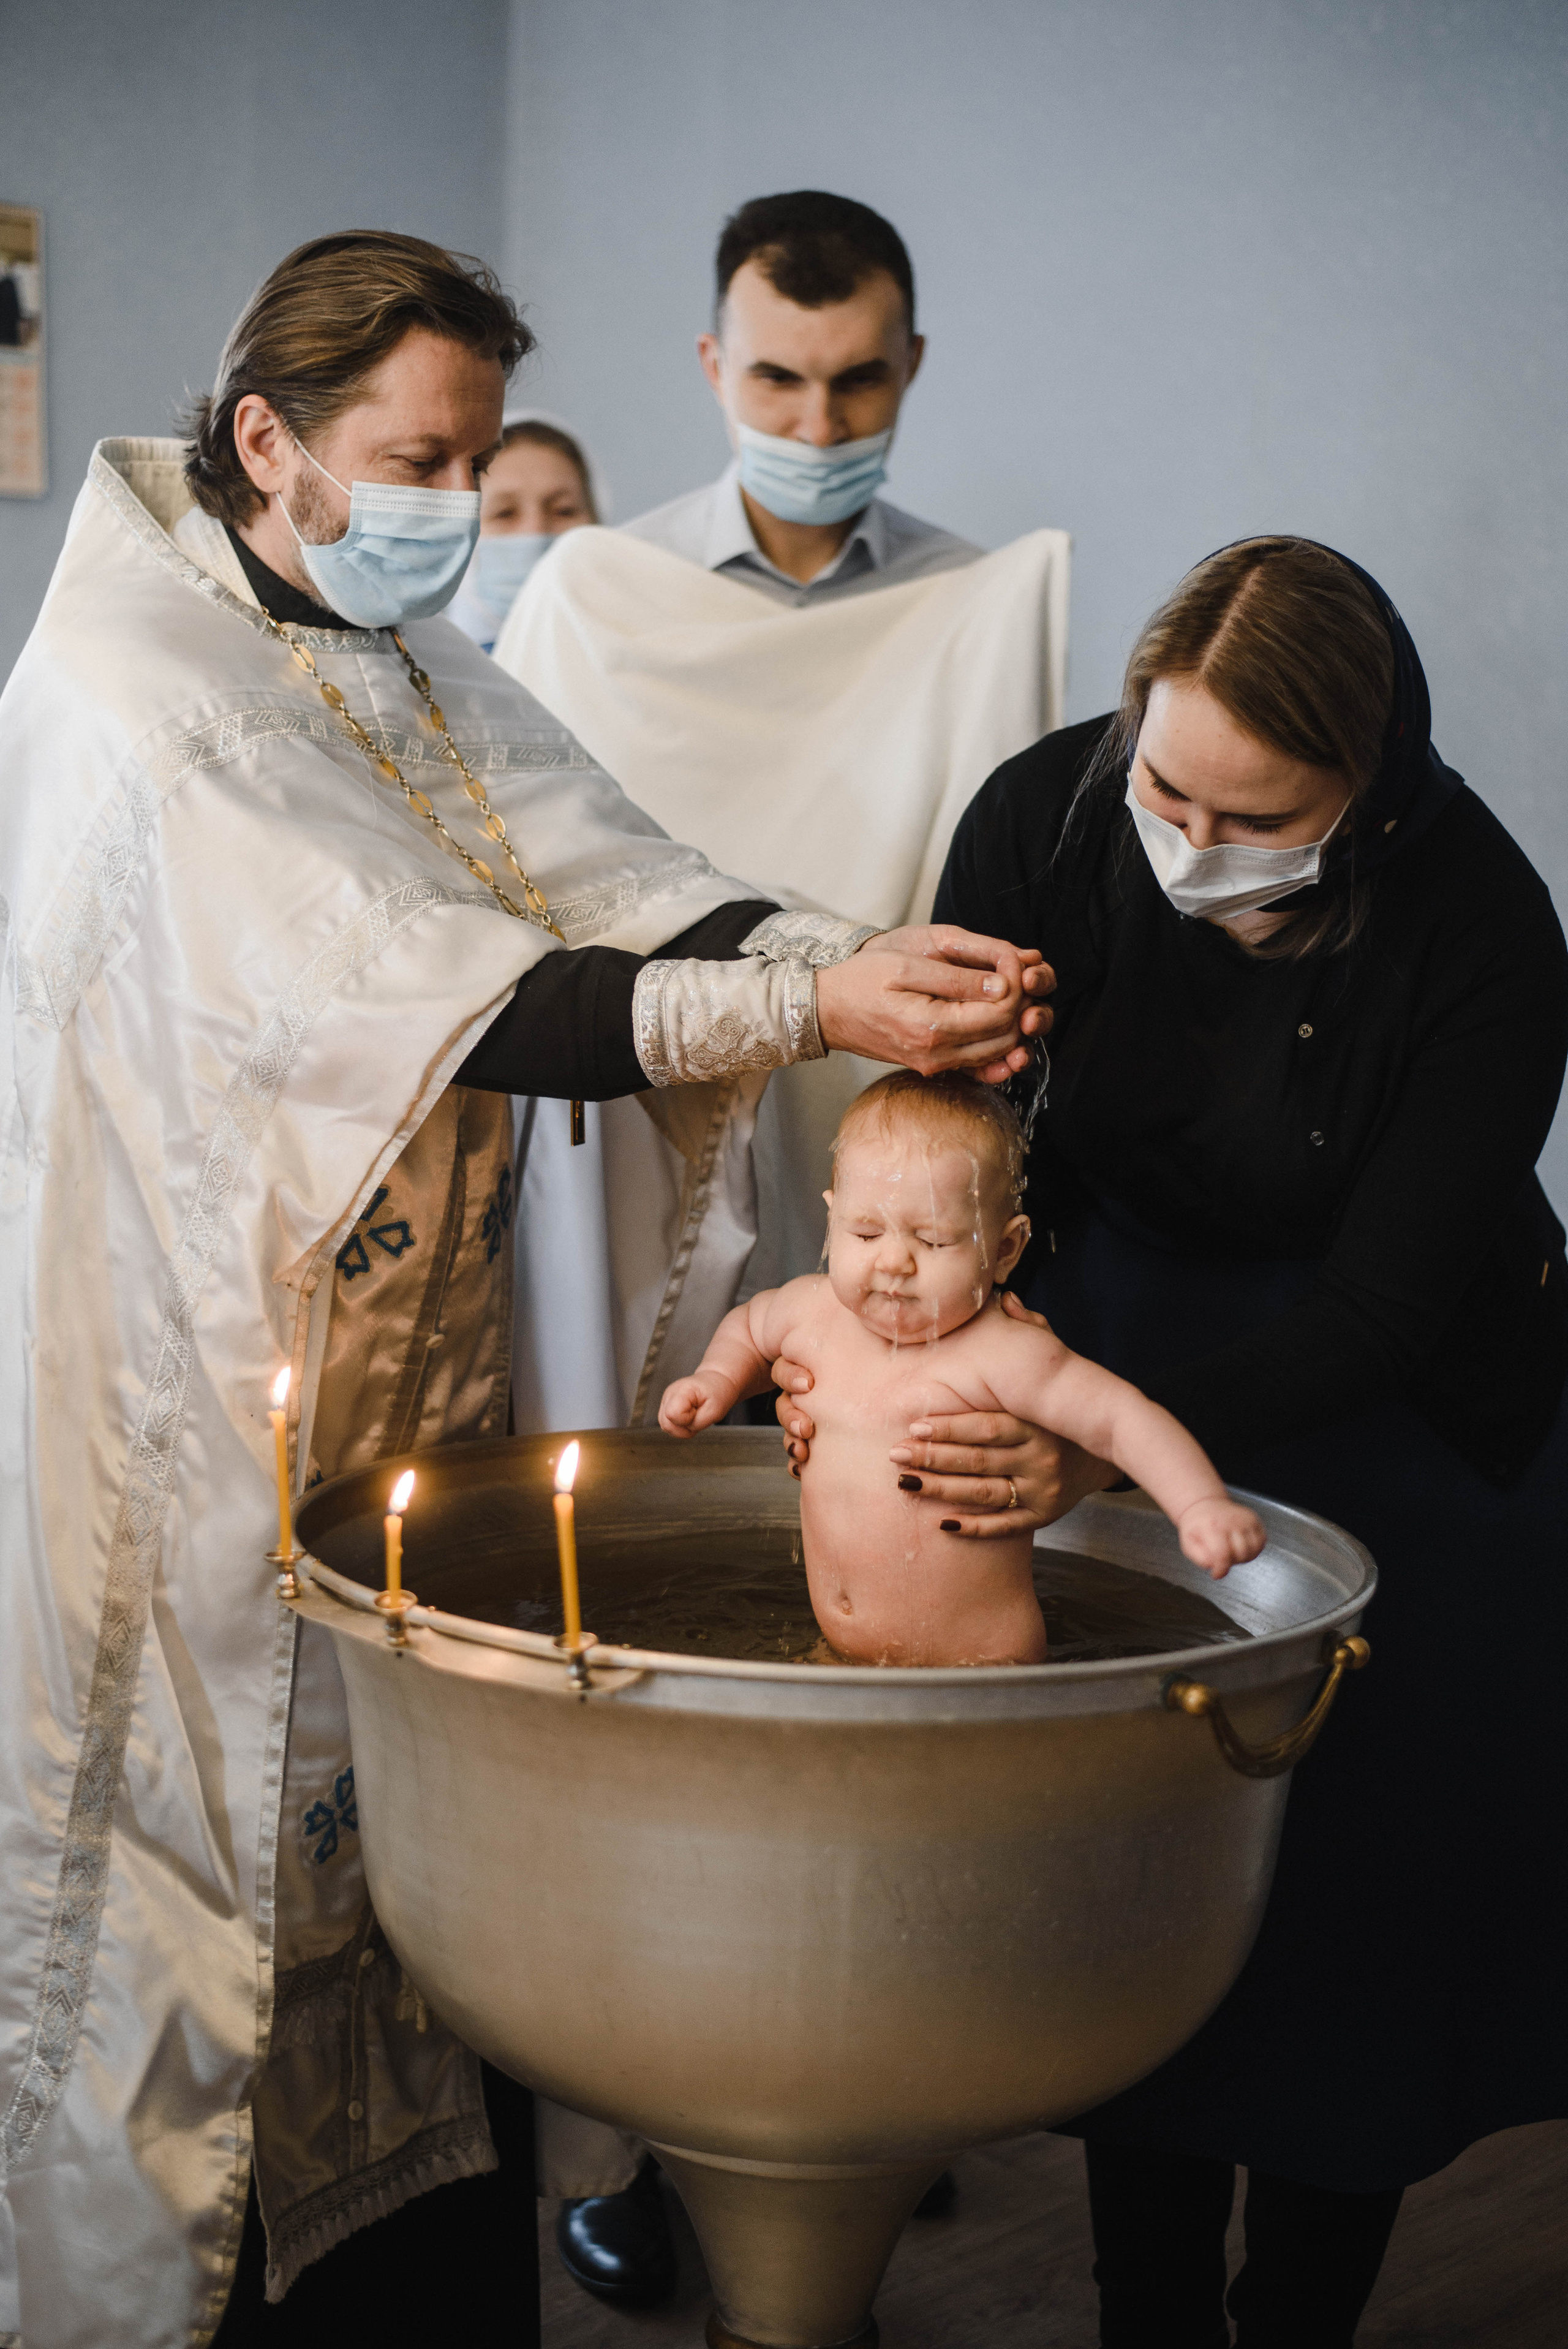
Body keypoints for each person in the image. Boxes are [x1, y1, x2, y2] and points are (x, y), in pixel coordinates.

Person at [0, 228, 1052, 2349]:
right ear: (266, 436)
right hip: (198, 1405)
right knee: (210, 1910)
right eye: (415, 458)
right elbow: (457, 994)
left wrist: (854, 957)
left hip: (403, 1377)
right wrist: (801, 995)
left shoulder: (379, 637)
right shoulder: (142, 691)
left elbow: (608, 870)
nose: (449, 509)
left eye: (474, 464)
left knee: (418, 1884)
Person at [781, 536, 1568, 2345]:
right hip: (1112, 1347)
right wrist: (900, 1326)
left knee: (1343, 1915)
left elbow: (1380, 1312)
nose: (1192, 847)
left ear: (1367, 799)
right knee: (1138, 1873)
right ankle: (1147, 2308)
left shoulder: (1488, 933)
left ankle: (1296, 2311)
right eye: (1164, 788)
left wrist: (1119, 1452)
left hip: (1408, 1411)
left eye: (1255, 816)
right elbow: (967, 1156)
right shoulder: (1044, 821)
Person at [492, 189, 1071, 1443]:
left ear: (911, 364)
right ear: (712, 365)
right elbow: (533, 889)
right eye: (775, 382)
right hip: (640, 1121)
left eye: (859, 381)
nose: (816, 426)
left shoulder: (981, 612)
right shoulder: (595, 598)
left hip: (891, 1138)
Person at [660, 1072, 1263, 1665]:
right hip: (839, 1656)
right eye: (865, 1232)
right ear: (831, 1218)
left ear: (1005, 1250)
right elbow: (748, 1326)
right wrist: (715, 1379)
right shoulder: (809, 1311)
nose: (894, 1261)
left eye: (934, 1241)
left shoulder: (1003, 1353)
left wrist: (1198, 1505)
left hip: (979, 1670)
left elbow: (1120, 1419)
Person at [447, 409, 601, 652]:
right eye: (505, 513)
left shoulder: (641, 664)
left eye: (564, 511)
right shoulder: (426, 680)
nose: (536, 531)